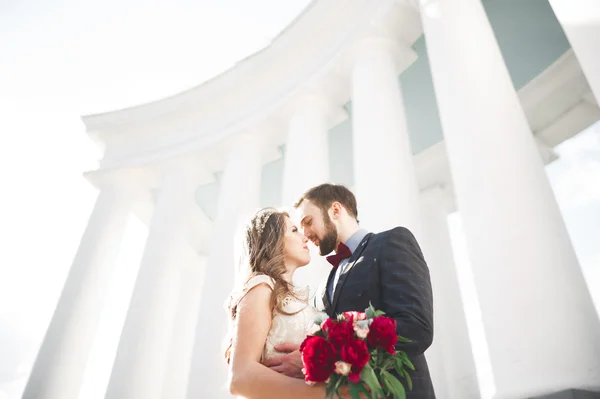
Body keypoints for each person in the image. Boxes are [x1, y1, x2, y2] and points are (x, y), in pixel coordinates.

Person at [263, 184, 436, 398]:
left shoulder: (391, 242)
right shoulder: (321, 288)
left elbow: (416, 326)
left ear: (336, 210)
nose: (305, 235)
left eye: (308, 222)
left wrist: (319, 356)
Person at [225, 207, 360, 399]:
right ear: (274, 240)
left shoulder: (304, 300)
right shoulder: (261, 285)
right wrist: (334, 396)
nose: (305, 237)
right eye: (294, 231)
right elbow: (241, 377)